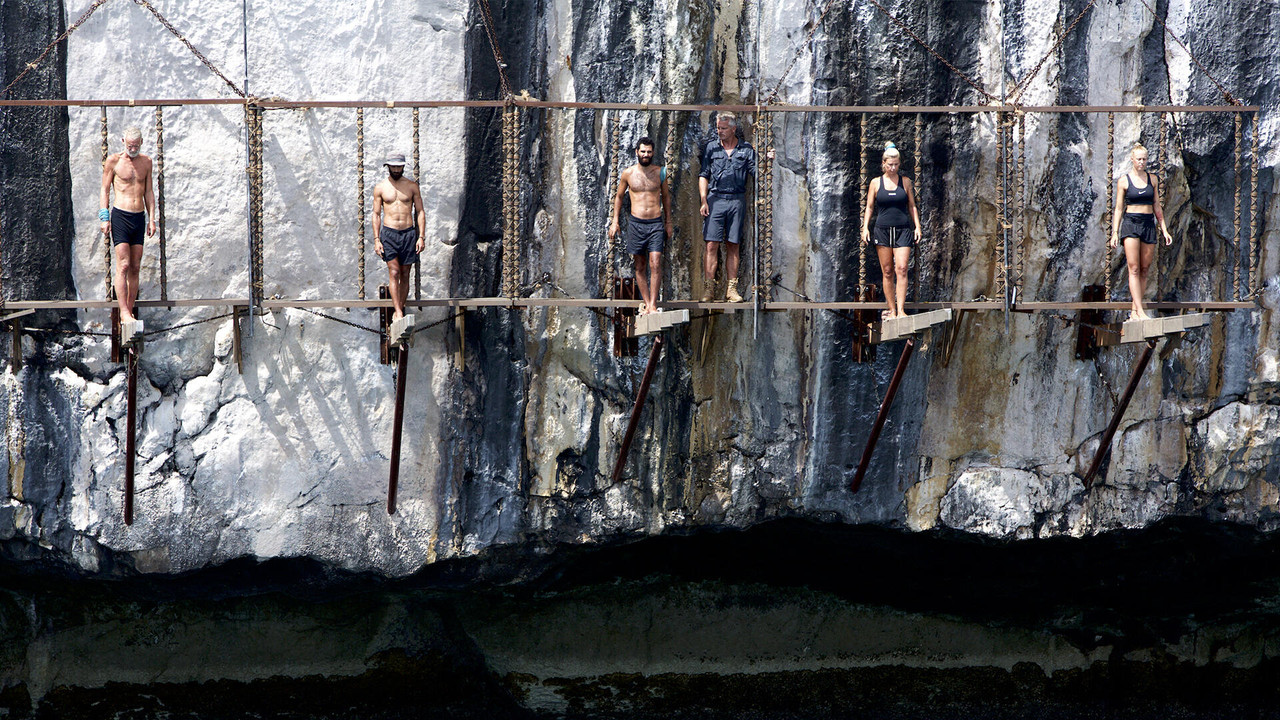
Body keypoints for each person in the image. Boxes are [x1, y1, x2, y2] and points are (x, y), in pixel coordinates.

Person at [698, 112, 765, 303]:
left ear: (733, 129)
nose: (720, 131)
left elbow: (759, 173)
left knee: (733, 244)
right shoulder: (712, 148)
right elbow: (704, 174)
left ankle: (732, 289)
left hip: (736, 199)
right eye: (718, 128)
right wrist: (704, 199)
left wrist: (767, 159)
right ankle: (709, 288)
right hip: (715, 198)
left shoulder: (745, 150)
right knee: (711, 244)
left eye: (723, 128)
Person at [609, 137, 673, 315]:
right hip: (636, 224)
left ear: (653, 153)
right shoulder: (628, 174)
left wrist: (668, 222)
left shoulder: (661, 172)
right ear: (637, 152)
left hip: (655, 223)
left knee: (655, 262)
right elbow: (619, 197)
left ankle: (653, 304)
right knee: (639, 265)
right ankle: (646, 304)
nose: (646, 154)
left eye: (649, 152)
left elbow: (666, 197)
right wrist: (615, 221)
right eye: (643, 151)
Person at [1109, 143, 1172, 321]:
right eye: (1139, 159)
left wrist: (1164, 229)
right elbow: (1119, 208)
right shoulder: (1124, 181)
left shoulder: (1153, 179)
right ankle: (1140, 310)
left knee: (1144, 269)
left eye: (1144, 159)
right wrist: (1115, 232)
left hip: (1148, 223)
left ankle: (1134, 311)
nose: (1142, 162)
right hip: (1131, 223)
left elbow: (1157, 206)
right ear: (1132, 160)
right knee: (1134, 268)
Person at [99, 126, 155, 322]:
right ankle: (122, 311)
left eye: (136, 145)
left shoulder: (146, 162)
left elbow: (149, 192)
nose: (133, 149)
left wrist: (152, 219)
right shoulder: (113, 161)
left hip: (138, 216)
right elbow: (105, 190)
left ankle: (129, 311)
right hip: (121, 216)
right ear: (124, 142)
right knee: (123, 265)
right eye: (130, 145)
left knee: (135, 266)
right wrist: (104, 217)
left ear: (141, 143)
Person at [861, 142, 921, 319]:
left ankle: (901, 310)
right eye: (890, 164)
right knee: (887, 271)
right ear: (884, 164)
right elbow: (870, 207)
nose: (893, 168)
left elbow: (912, 206)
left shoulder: (906, 182)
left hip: (903, 229)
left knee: (902, 268)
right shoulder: (875, 182)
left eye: (896, 164)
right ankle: (892, 310)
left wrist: (917, 226)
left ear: (899, 164)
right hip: (882, 230)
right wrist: (865, 228)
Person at [372, 152, 426, 321]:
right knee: (394, 272)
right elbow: (376, 214)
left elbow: (420, 211)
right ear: (387, 167)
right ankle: (399, 311)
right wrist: (376, 240)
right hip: (389, 233)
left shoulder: (411, 186)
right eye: (393, 166)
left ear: (403, 167)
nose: (396, 170)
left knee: (405, 273)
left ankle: (399, 308)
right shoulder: (380, 187)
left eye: (399, 166)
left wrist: (421, 237)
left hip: (408, 233)